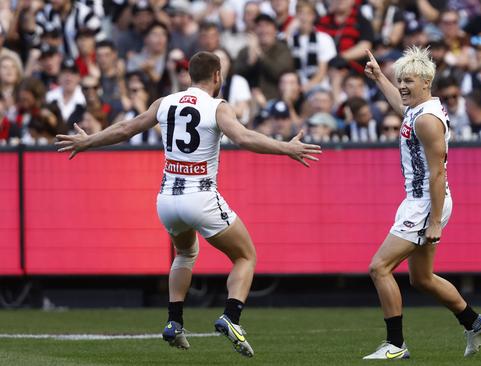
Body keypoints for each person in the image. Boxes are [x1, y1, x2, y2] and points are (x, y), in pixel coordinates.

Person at [55, 51, 321, 357]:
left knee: (184, 253)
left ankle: (174, 321)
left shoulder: (165, 102)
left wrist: (88, 141)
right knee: (246, 256)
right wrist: (285, 148)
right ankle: (231, 317)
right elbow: (244, 138)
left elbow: (126, 129)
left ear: (188, 76)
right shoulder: (216, 107)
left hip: (167, 200)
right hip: (201, 196)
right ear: (217, 76)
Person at [362, 47, 481, 360]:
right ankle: (474, 321)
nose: (402, 86)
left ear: (425, 82)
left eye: (407, 80)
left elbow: (438, 173)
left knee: (379, 268)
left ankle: (396, 345)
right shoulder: (418, 109)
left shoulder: (427, 120)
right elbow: (400, 105)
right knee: (421, 278)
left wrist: (434, 220)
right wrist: (380, 77)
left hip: (425, 203)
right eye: (400, 80)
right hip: (421, 201)